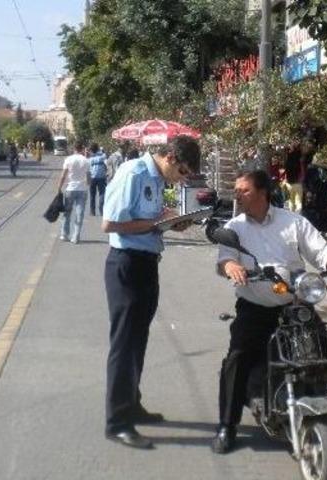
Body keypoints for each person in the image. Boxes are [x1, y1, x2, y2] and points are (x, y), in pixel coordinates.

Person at [211, 170, 327, 454]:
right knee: (237, 358)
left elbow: (320, 249)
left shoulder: (293, 222)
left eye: (244, 190)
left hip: (294, 305)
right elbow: (224, 260)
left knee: (326, 350)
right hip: (255, 307)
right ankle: (226, 425)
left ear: (263, 193)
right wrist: (231, 266)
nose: (237, 195)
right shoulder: (235, 226)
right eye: (236, 190)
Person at [100, 135, 201, 450]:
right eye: (183, 172)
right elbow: (110, 224)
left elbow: (159, 217)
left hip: (148, 263)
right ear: (171, 157)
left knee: (139, 339)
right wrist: (153, 223)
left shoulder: (163, 181)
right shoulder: (134, 173)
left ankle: (132, 403)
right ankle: (117, 423)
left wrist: (175, 222)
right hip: (126, 264)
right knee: (124, 344)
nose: (183, 179)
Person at [55, 142, 90, 243]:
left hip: (70, 189)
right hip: (82, 190)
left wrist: (59, 187)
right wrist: (87, 184)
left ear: (74, 149)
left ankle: (64, 235)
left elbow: (63, 175)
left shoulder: (68, 159)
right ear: (82, 149)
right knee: (80, 213)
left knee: (67, 213)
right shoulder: (86, 161)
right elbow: (88, 178)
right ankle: (76, 237)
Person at [87, 143, 108, 216]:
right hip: (101, 178)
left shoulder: (90, 159)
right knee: (102, 194)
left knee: (92, 195)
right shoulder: (103, 156)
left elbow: (88, 170)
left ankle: (92, 211)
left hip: (92, 178)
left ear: (91, 150)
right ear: (98, 149)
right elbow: (107, 163)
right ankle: (101, 210)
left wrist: (88, 181)